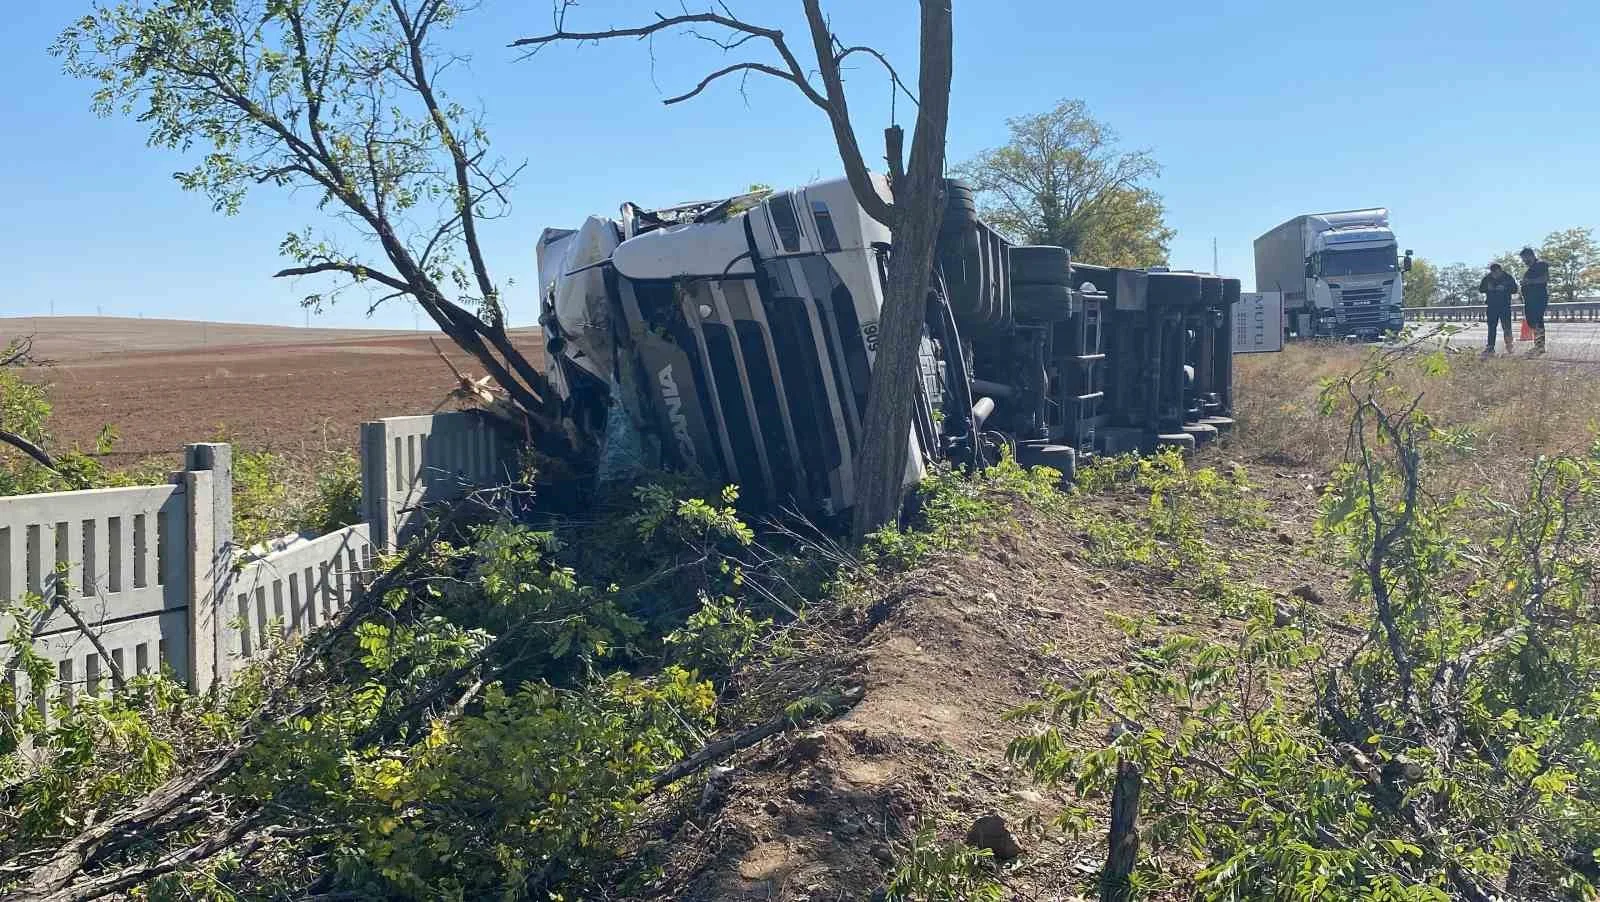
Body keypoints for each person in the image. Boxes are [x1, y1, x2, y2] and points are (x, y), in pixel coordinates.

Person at [1478, 262, 1518, 354]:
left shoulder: (1508, 277)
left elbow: (1515, 290)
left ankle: (1509, 346)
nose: (1494, 274)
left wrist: (1505, 288)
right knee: (1491, 327)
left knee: (1507, 326)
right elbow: (1480, 289)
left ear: (1500, 270)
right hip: (1492, 306)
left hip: (1504, 306)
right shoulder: (1487, 278)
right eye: (1492, 272)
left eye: (1496, 272)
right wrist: (1487, 288)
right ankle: (1490, 347)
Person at [1519, 246, 1550, 355]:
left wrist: (1529, 282)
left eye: (1525, 259)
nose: (1525, 262)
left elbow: (1545, 279)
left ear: (1531, 255)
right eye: (1523, 260)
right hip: (1530, 299)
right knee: (1531, 321)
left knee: (1537, 320)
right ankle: (1538, 344)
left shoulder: (1541, 264)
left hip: (1538, 297)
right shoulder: (1530, 269)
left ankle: (1540, 346)